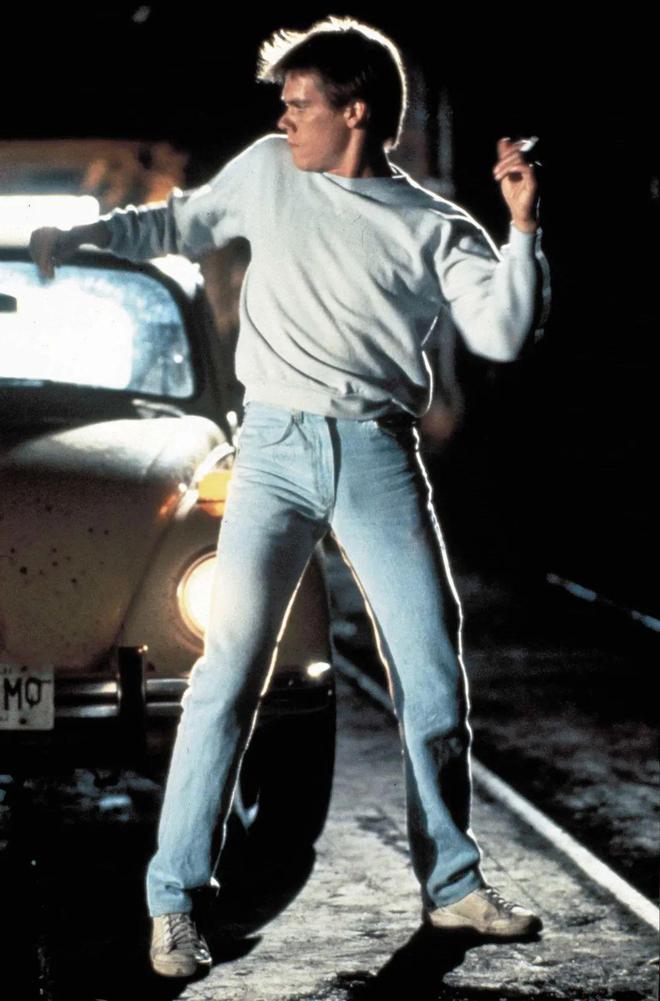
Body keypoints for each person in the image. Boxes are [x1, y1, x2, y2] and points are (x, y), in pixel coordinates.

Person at [30, 16, 550, 980]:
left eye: (300, 102)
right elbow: (179, 223)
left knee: (433, 673)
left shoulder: (434, 225)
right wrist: (87, 233)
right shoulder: (271, 171)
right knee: (227, 672)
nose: (283, 117)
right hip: (271, 449)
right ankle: (174, 903)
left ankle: (453, 888)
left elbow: (505, 331)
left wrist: (522, 225)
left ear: (356, 111)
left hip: (377, 452)